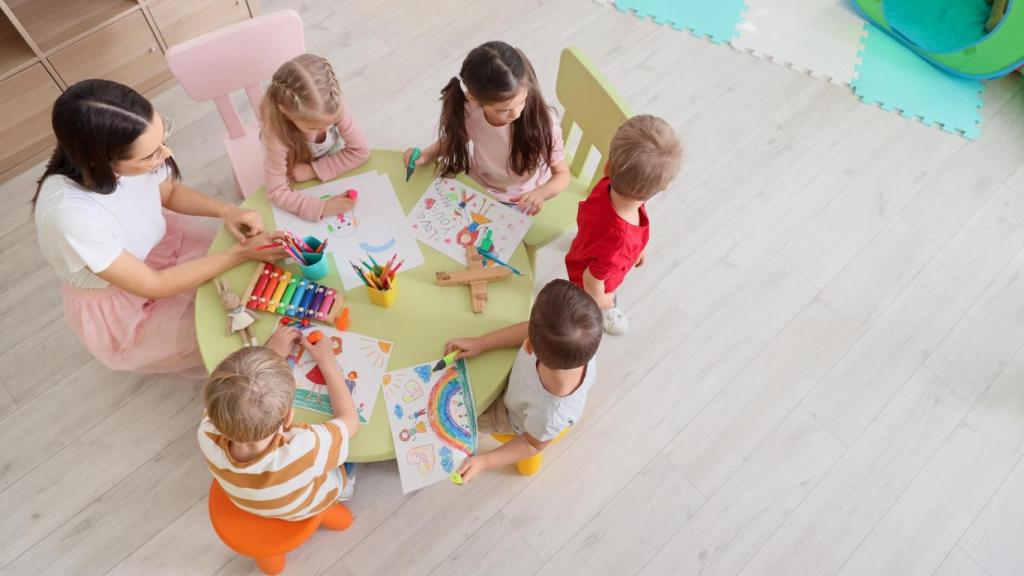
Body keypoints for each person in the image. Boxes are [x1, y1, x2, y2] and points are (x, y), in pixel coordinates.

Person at [33, 79, 285, 376]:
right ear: (101, 160)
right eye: (150, 155)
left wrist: (226, 210)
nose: (165, 154)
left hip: (158, 246)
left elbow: (168, 193)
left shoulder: (138, 153)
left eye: (163, 136)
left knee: (249, 287)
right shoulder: (69, 216)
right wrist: (241, 254)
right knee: (223, 328)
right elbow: (154, 284)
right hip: (124, 295)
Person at [445, 279, 602, 481]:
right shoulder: (580, 347)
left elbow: (531, 444)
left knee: (454, 417)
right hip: (526, 400)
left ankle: (527, 467)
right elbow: (532, 328)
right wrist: (481, 343)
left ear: (528, 347)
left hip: (518, 421)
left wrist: (484, 462)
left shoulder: (550, 414)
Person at [198, 325, 360, 519]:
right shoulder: (304, 446)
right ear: (288, 418)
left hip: (248, 501)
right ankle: (344, 488)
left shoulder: (206, 432)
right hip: (306, 506)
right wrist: (327, 362)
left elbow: (233, 400)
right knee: (352, 455)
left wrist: (271, 354)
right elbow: (350, 420)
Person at [403, 41, 568, 216]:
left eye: (522, 101)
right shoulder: (470, 110)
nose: (516, 113)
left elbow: (562, 175)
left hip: (518, 198)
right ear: (474, 98)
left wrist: (540, 194)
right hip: (477, 182)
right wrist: (427, 154)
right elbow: (455, 139)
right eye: (503, 110)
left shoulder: (545, 125)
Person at [564, 114, 682, 335]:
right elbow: (591, 280)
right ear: (664, 187)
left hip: (588, 243)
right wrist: (604, 301)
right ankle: (606, 313)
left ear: (607, 167)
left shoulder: (608, 184)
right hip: (589, 284)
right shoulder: (620, 242)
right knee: (589, 307)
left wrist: (639, 248)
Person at [262, 53, 370, 221]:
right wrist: (323, 208)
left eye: (331, 122)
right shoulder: (275, 138)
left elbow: (361, 151)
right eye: (313, 127)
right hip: (293, 170)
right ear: (286, 112)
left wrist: (313, 170)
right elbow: (276, 191)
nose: (324, 129)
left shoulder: (334, 105)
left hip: (320, 168)